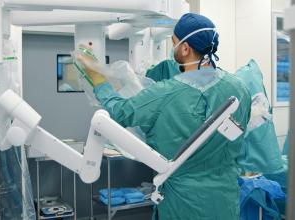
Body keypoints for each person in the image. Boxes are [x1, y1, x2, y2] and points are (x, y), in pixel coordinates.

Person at [78, 13, 251, 220]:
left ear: (185, 49)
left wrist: (98, 80)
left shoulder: (167, 92)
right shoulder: (240, 89)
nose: (173, 48)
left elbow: (121, 112)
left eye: (175, 43)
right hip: (224, 201)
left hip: (183, 203)